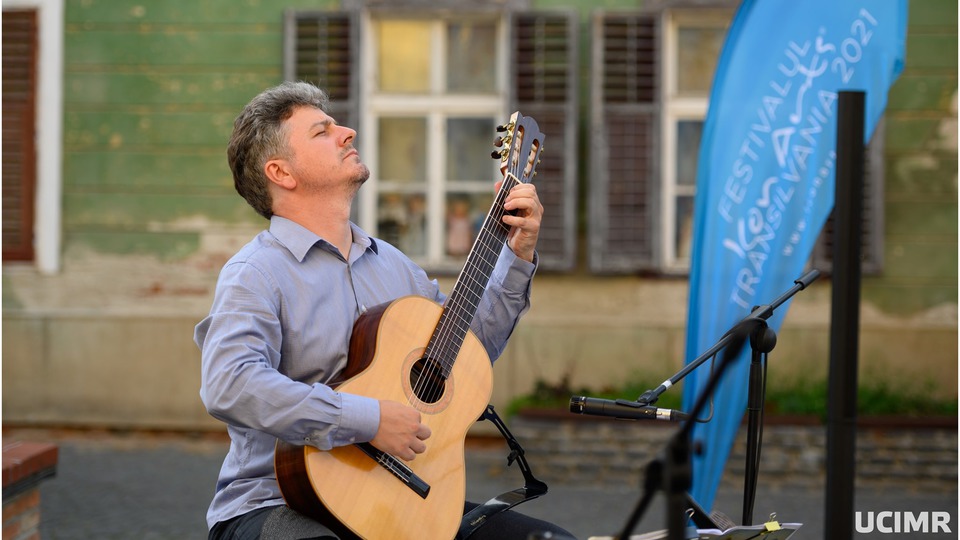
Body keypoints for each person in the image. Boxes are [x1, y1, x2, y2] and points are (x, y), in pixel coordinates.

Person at [195, 81, 575, 540]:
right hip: (278, 501)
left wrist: (517, 254)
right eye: (322, 131)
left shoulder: (395, 266)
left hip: (404, 497)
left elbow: (466, 354)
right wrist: (367, 419)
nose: (348, 132)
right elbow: (230, 384)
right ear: (281, 172)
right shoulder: (255, 273)